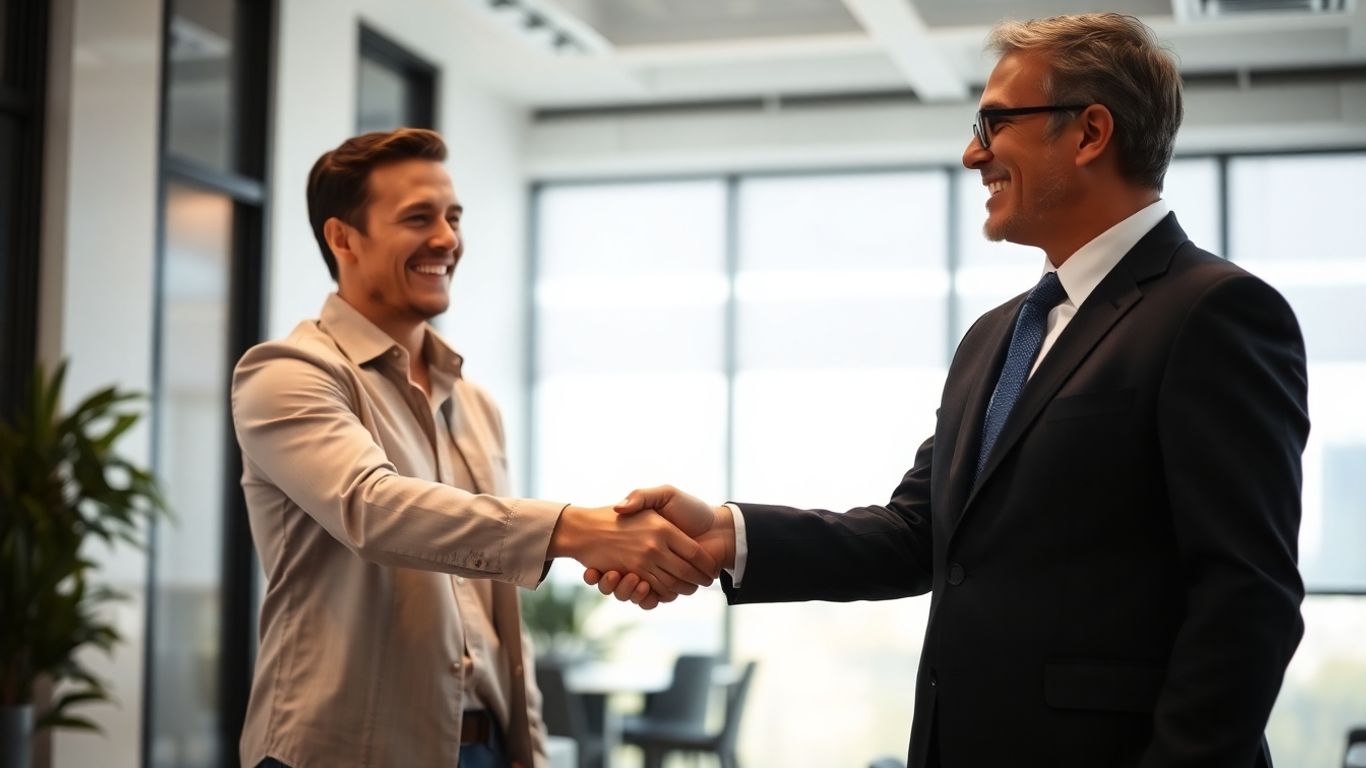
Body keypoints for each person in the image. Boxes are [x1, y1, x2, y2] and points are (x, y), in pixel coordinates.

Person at [587, 13, 1310, 768]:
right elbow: (917, 535)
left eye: (995, 122)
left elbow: (1245, 598)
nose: (973, 153)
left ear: (1091, 133)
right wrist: (729, 534)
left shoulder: (1214, 312)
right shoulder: (996, 337)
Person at [231, 128, 717, 768]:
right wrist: (577, 530)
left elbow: (497, 612)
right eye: (417, 218)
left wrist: (529, 749)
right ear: (342, 238)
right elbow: (372, 509)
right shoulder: (287, 373)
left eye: (453, 217)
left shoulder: (475, 402)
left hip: (484, 749)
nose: (446, 239)